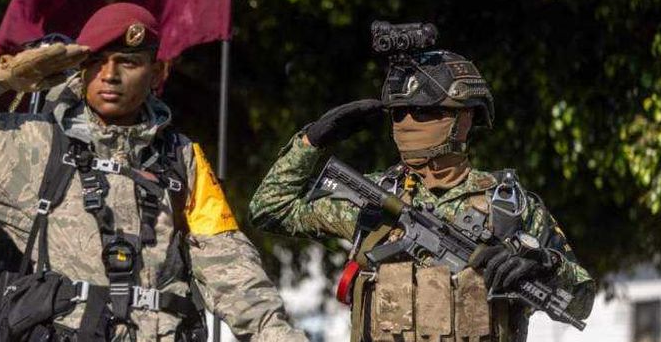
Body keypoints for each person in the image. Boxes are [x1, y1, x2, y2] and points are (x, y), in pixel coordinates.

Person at [0, 2, 307, 342]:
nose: (110, 75)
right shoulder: (34, 146)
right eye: (97, 61)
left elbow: (228, 264)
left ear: (158, 72)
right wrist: (0, 77)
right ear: (80, 67)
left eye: (127, 62)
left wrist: (277, 334)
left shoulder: (183, 159)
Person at [249, 23, 594, 342]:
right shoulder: (375, 201)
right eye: (399, 113)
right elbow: (269, 208)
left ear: (464, 118)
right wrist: (312, 143)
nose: (409, 122)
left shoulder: (509, 205)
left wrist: (546, 265)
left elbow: (580, 304)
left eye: (425, 112)